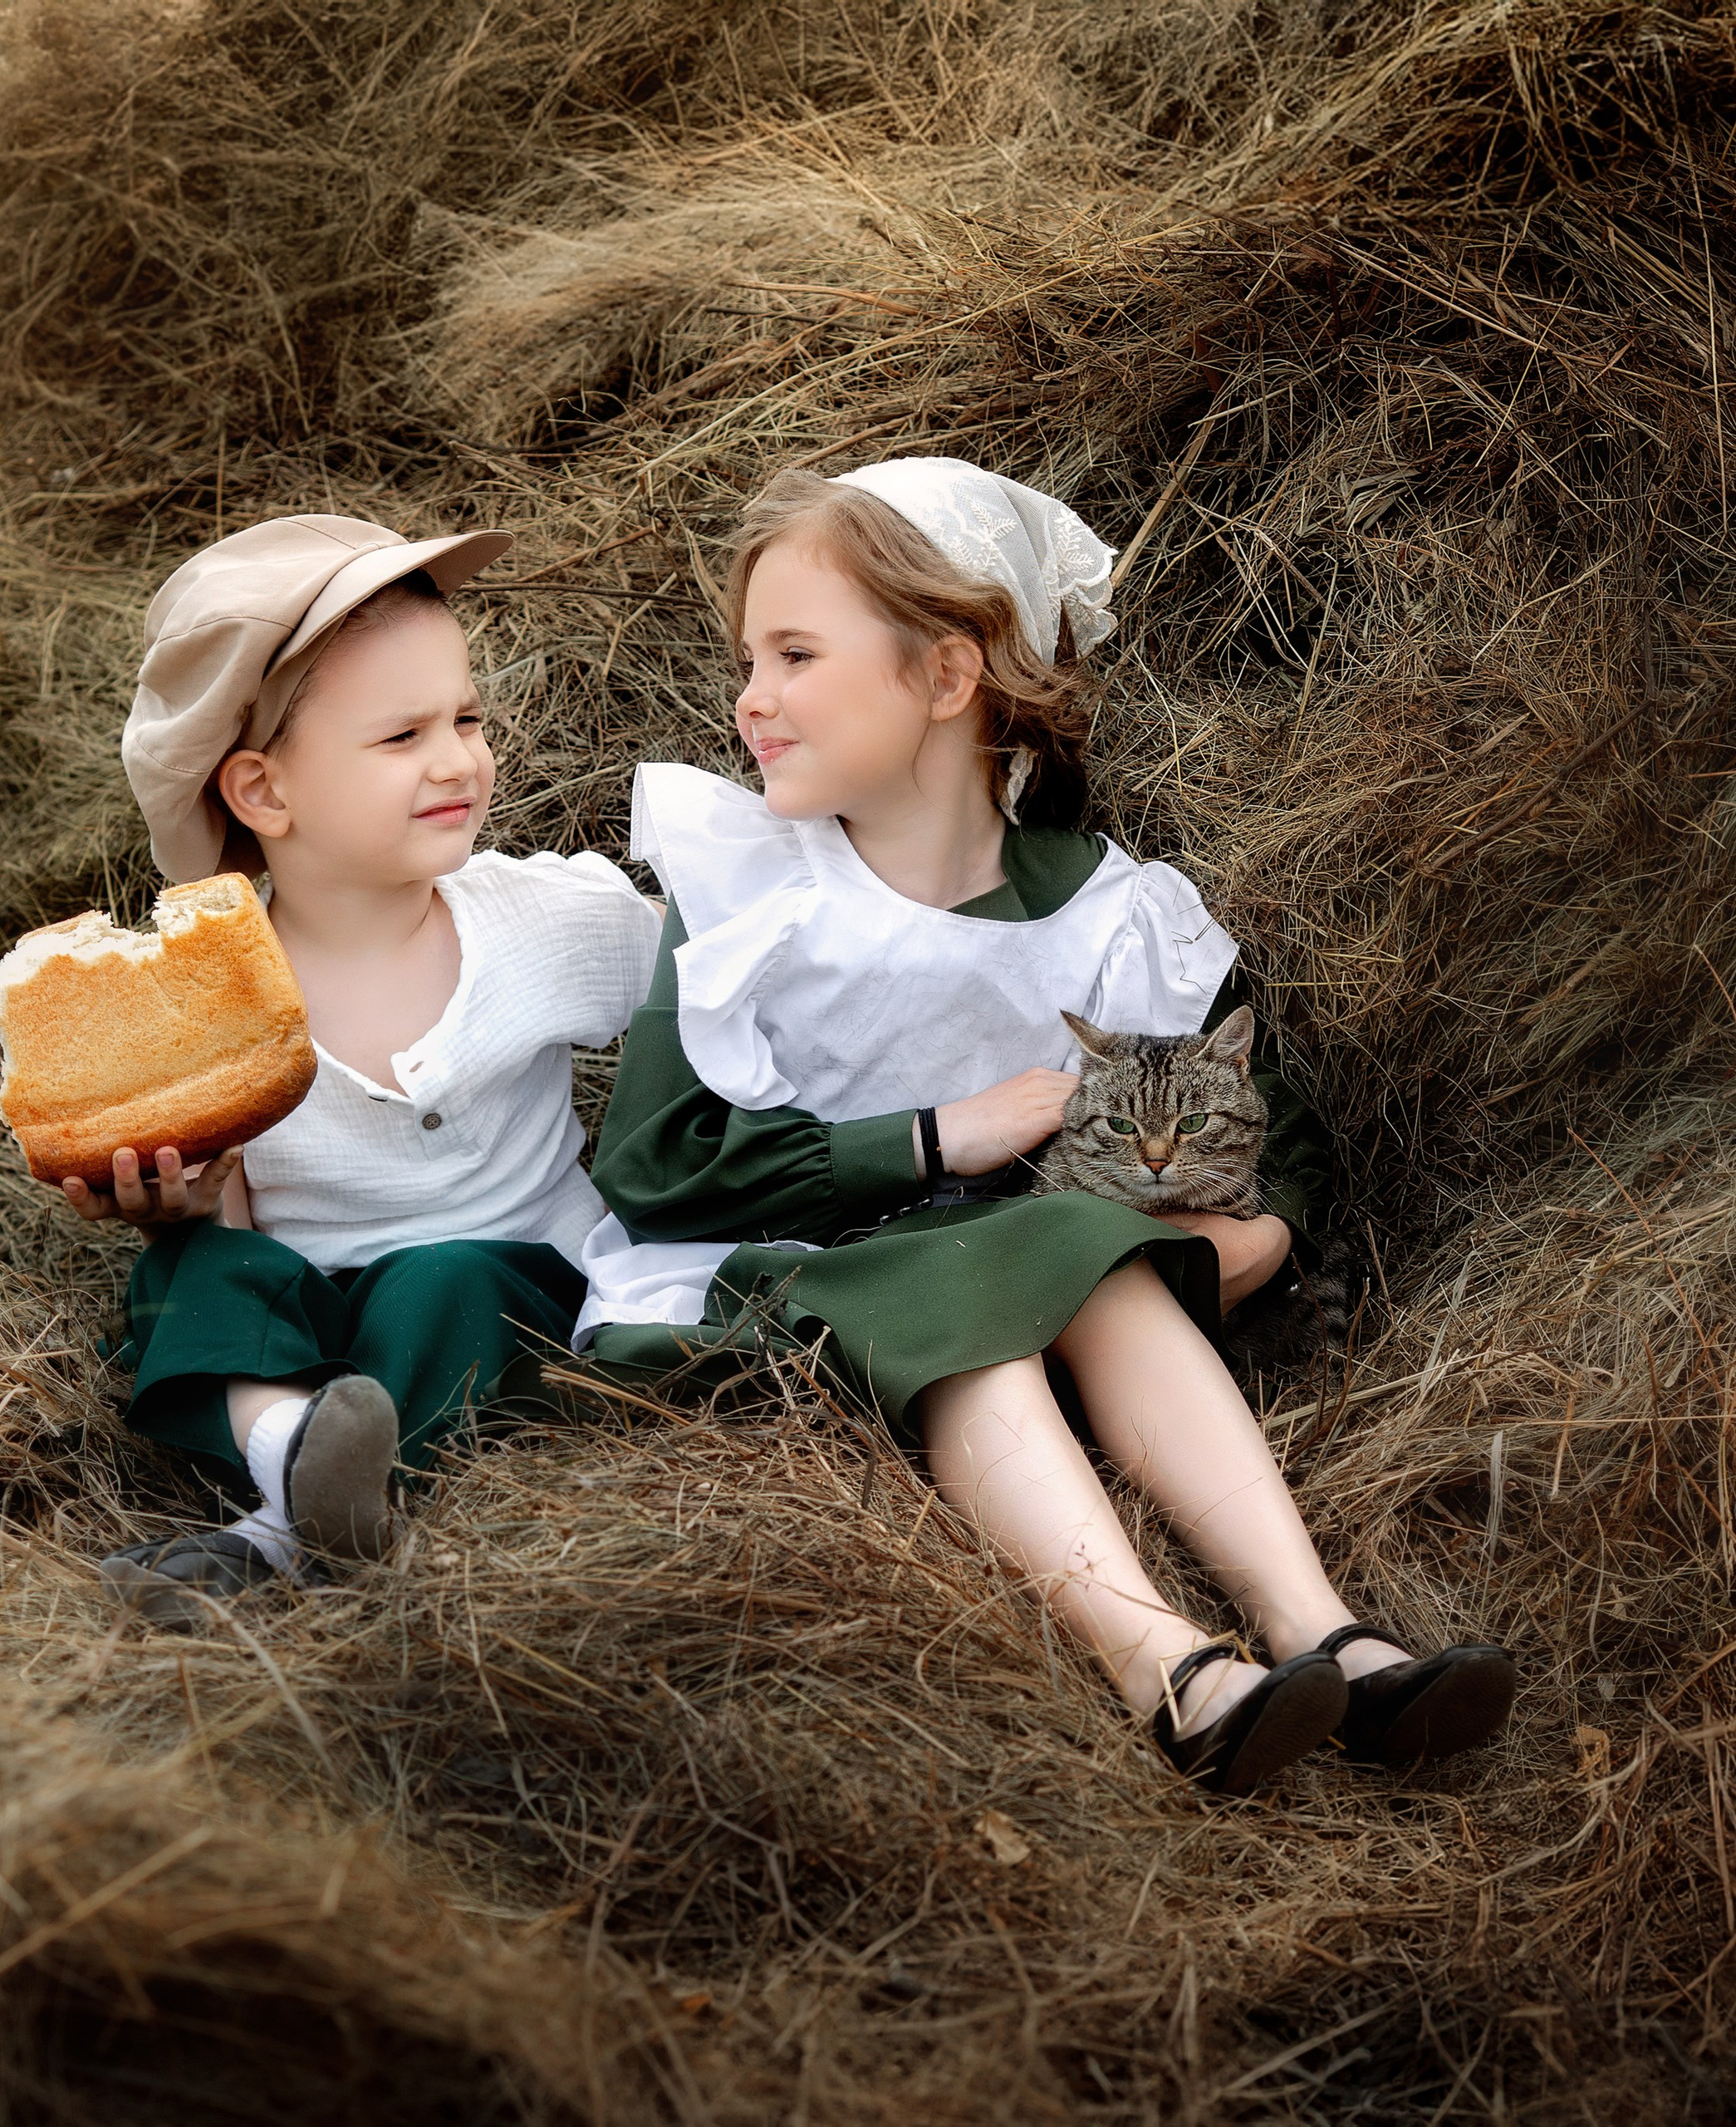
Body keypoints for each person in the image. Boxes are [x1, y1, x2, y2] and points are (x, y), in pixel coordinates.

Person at [577, 458, 1516, 1792]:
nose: (750, 698)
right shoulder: (750, 891)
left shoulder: (1102, 912)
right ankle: (1171, 1670)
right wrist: (926, 1139)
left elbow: (1270, 1121)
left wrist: (1259, 1226)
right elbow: (652, 1169)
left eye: (793, 653)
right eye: (750, 657)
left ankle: (1336, 1641)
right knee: (997, 1288)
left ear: (950, 677)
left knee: (1082, 1254)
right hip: (774, 1282)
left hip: (1016, 1271)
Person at [58, 513, 660, 1624]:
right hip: (316, 1334)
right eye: (402, 739)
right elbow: (228, 1230)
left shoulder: (548, 921)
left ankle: (284, 1533)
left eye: (466, 720)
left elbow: (715, 1001)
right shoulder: (212, 1002)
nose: (459, 762)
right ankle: (295, 1444)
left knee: (447, 1279)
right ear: (264, 795)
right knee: (180, 1276)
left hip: (518, 1294)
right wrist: (177, 1207)